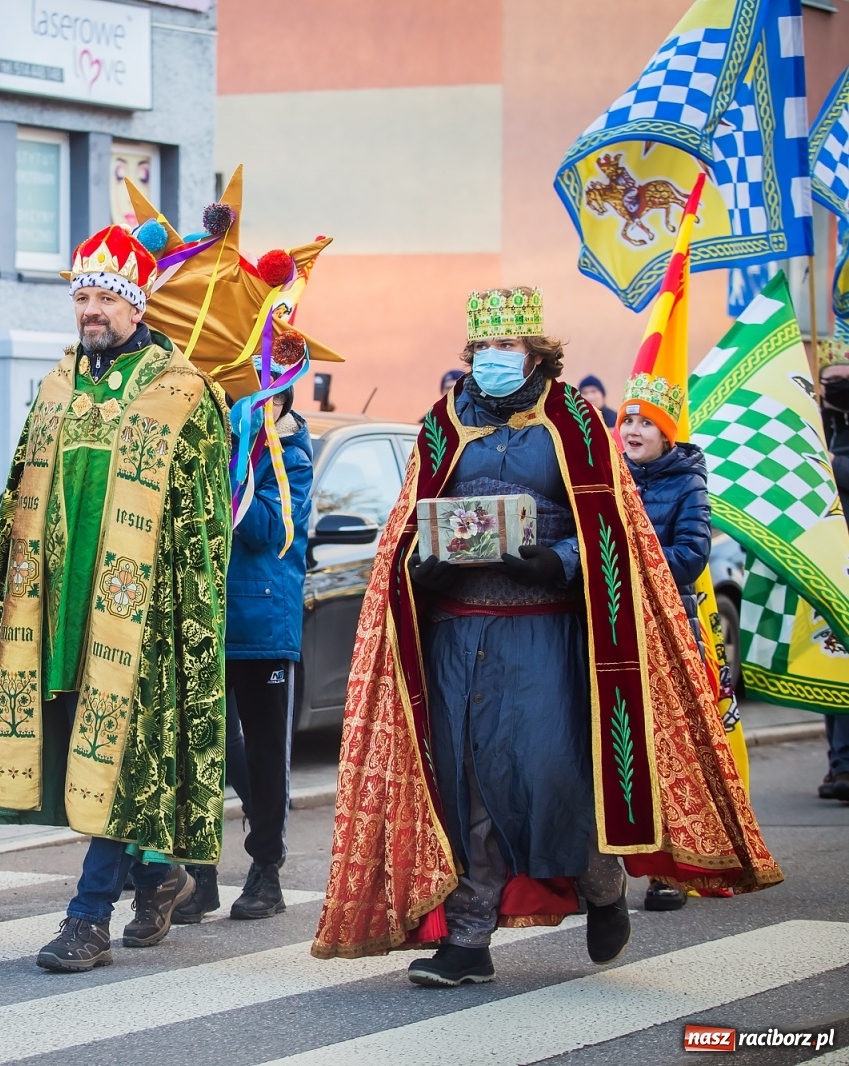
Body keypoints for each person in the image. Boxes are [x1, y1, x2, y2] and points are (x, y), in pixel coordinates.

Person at [311, 287, 780, 982]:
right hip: (455, 636)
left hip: (545, 634)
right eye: (484, 348)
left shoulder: (577, 422)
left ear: (537, 352)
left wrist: (556, 560)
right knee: (465, 789)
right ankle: (468, 941)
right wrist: (426, 564)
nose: (495, 359)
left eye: (509, 347)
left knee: (552, 780)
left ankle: (602, 887)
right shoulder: (441, 423)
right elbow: (407, 526)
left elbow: (620, 533)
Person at [0, 223, 233, 973]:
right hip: (51, 612)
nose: (89, 310)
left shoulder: (183, 393)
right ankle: (156, 875)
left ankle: (86, 918)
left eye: (103, 298)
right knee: (78, 756)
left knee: (114, 753)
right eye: (80, 296)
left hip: (139, 617)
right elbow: (27, 494)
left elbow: (206, 520)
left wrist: (182, 613)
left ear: (136, 303)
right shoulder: (56, 387)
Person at [175, 386, 313, 923]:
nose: (248, 412)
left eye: (260, 402)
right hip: (205, 617)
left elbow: (271, 532)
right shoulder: (216, 444)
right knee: (206, 748)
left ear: (279, 405)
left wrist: (235, 471)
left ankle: (266, 870)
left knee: (262, 752)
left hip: (263, 623)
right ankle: (199, 874)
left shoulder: (292, 457)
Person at [619, 373, 711, 911]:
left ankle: (669, 873)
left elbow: (692, 555)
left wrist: (632, 565)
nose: (632, 430)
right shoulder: (609, 478)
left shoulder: (688, 483)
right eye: (627, 420)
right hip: (617, 625)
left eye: (644, 423)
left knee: (667, 749)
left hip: (669, 628)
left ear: (666, 434)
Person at [817, 344, 849, 801]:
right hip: (832, 566)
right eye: (831, 380)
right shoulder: (814, 429)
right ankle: (840, 764)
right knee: (834, 665)